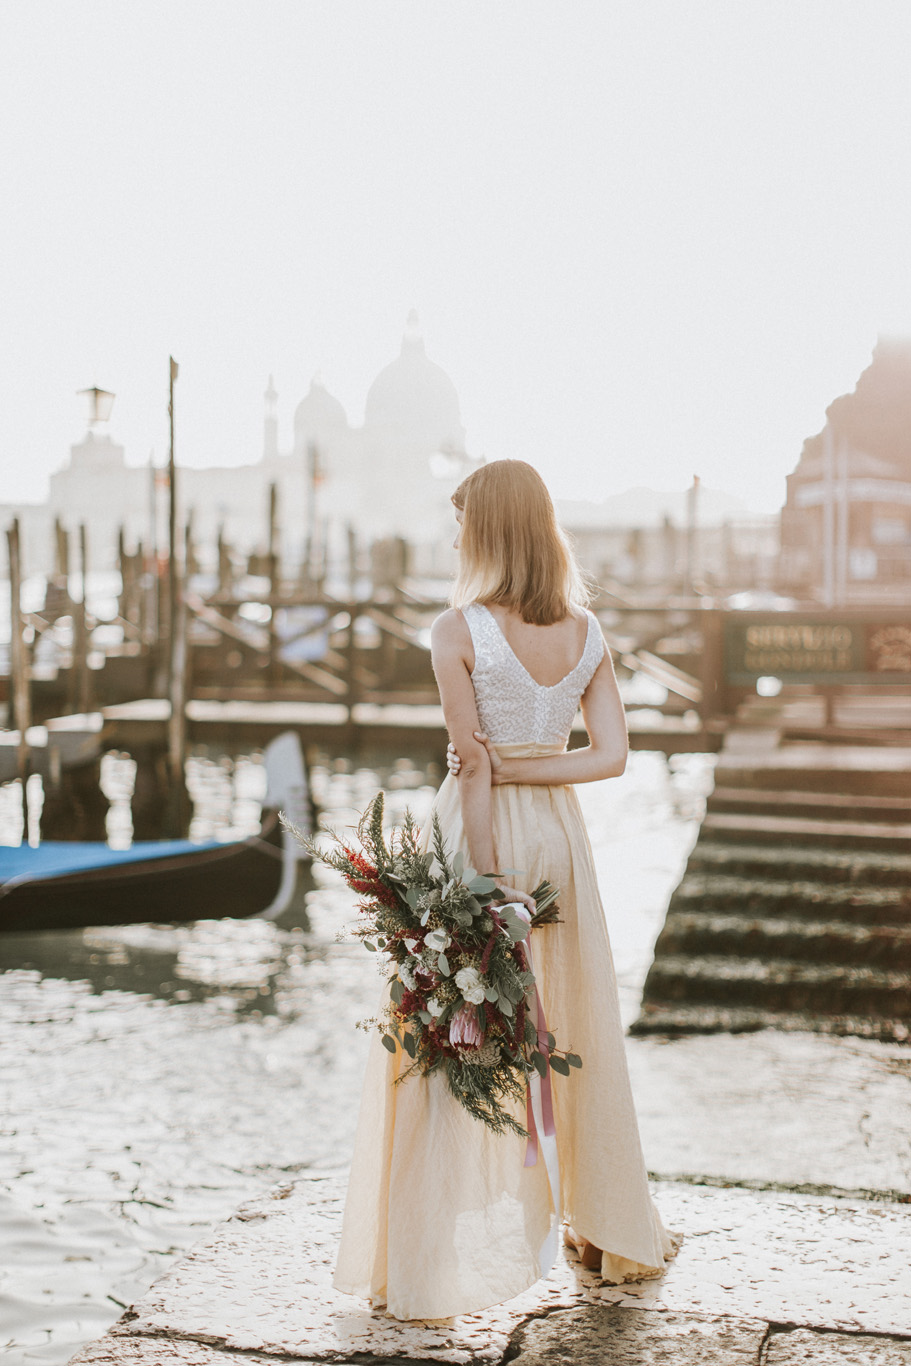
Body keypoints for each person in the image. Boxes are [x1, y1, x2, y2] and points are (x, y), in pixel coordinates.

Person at [333, 459, 676, 1320]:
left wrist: (484, 887)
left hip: (480, 832)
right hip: (560, 833)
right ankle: (604, 1228)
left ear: (485, 530)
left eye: (460, 523)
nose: (452, 539)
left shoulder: (458, 629)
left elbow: (473, 767)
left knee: (452, 1037)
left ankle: (418, 1264)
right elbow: (610, 756)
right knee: (578, 1017)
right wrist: (534, 770)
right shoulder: (584, 630)